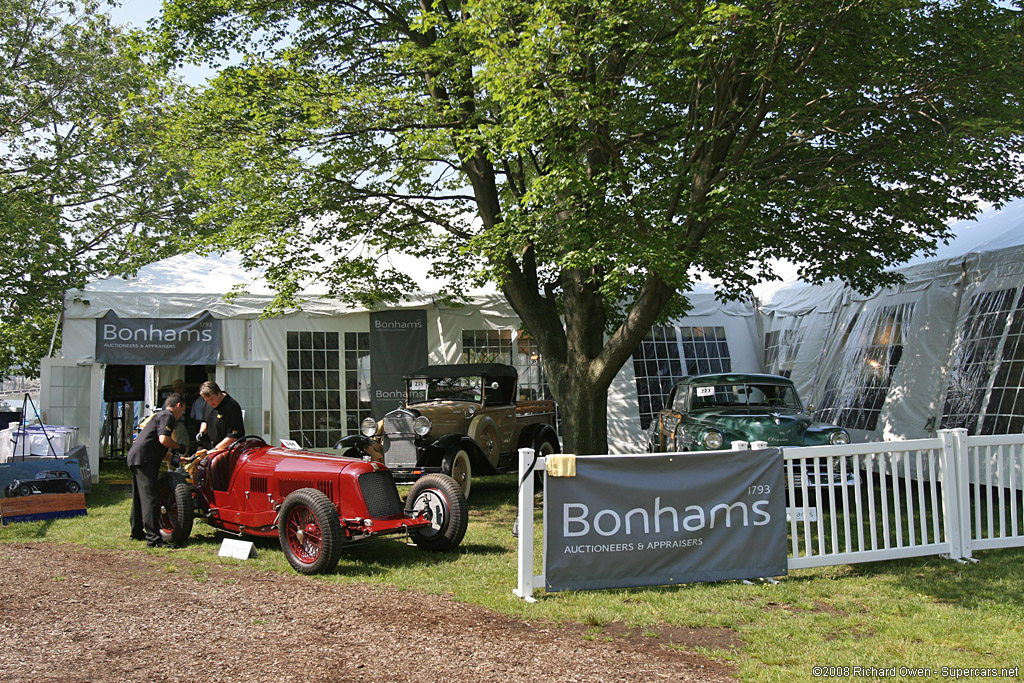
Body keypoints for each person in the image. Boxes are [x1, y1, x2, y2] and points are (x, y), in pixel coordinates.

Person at [128, 392, 185, 547]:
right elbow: (164, 439)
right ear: (178, 406)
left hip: (137, 457)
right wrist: (179, 446)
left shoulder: (158, 416)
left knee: (140, 498)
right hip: (145, 460)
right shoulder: (168, 416)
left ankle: (137, 532)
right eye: (182, 411)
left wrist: (177, 458)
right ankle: (154, 539)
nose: (181, 415)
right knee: (151, 499)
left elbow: (159, 447)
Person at [196, 381, 244, 451]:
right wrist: (202, 432)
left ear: (219, 393)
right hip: (211, 448)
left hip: (228, 450)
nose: (210, 403)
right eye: (206, 400)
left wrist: (215, 449)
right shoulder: (207, 404)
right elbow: (204, 420)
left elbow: (234, 436)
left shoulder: (231, 406)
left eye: (211, 399)